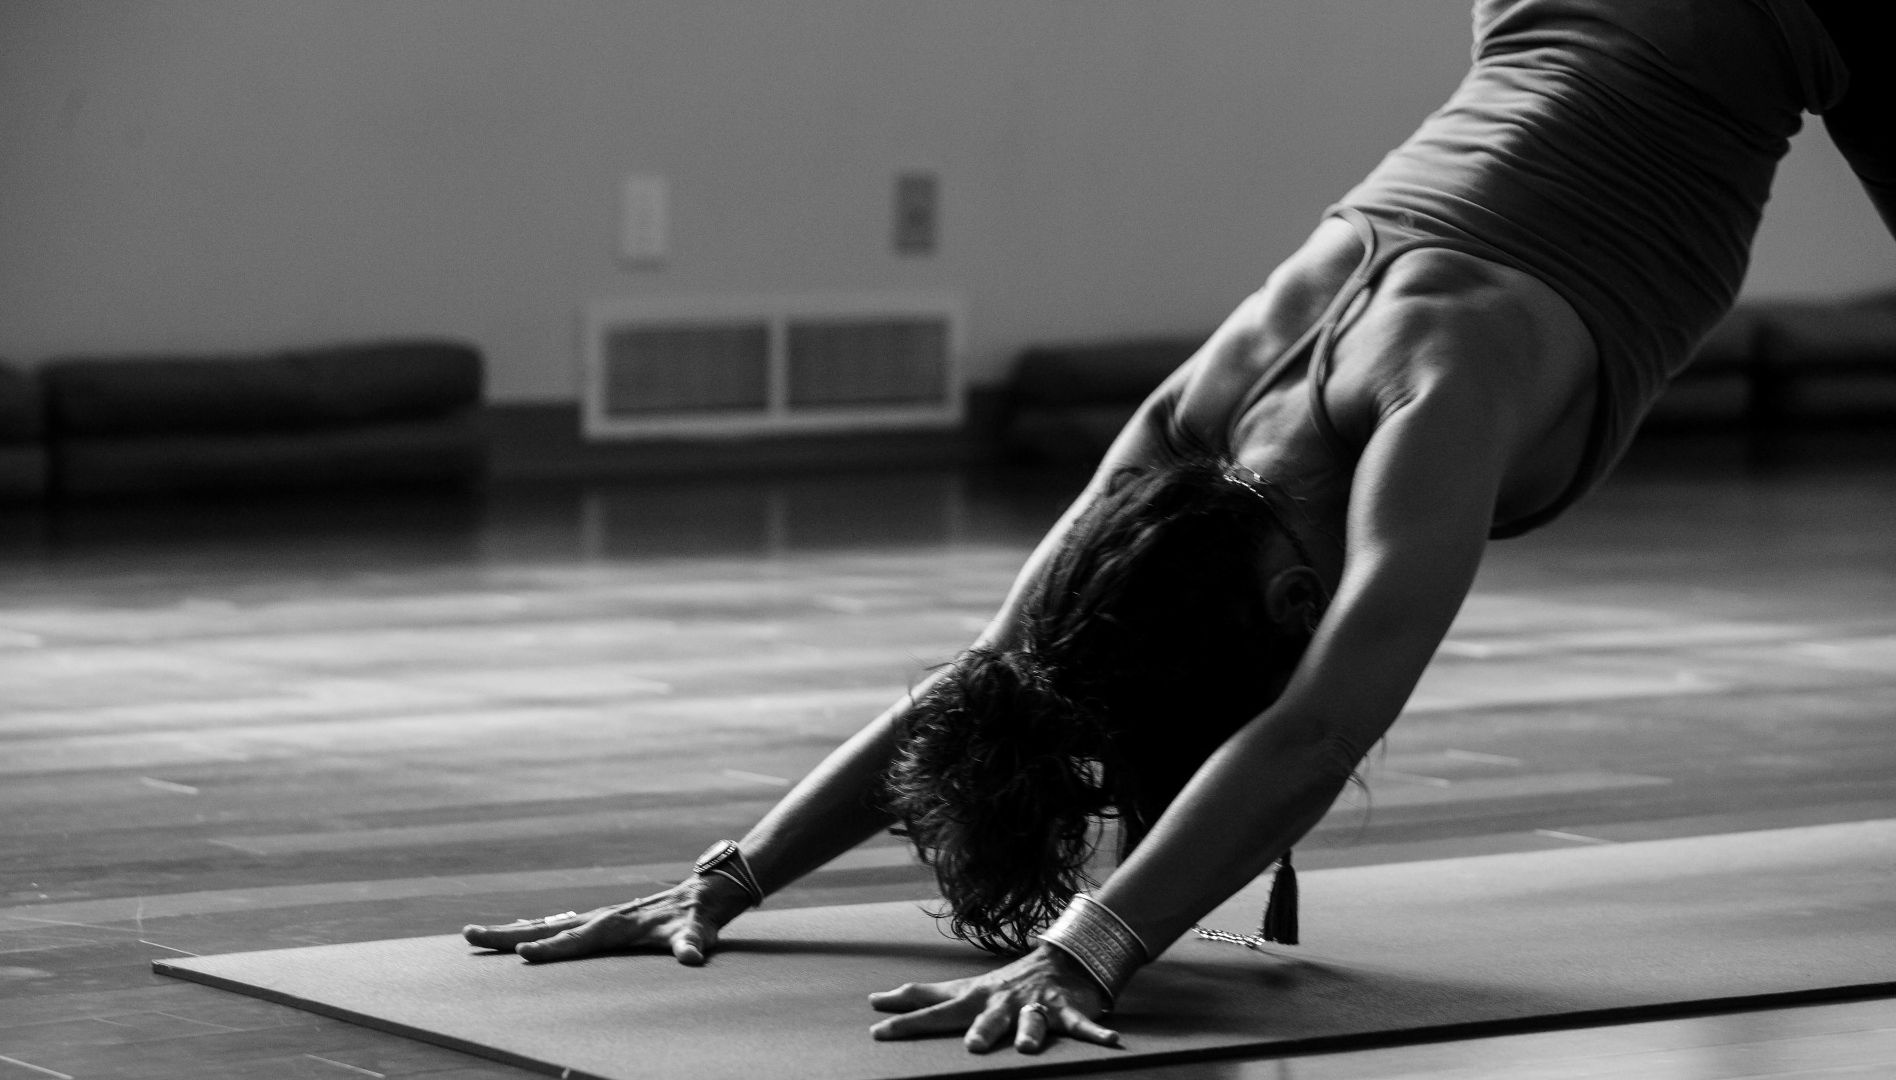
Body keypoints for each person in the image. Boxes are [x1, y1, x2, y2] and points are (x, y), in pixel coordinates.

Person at [465, 0, 1892, 1056]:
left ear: (1285, 607)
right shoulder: (1188, 436)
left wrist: (1091, 953)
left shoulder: (1434, 398)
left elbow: (1316, 733)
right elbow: (996, 676)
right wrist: (727, 878)